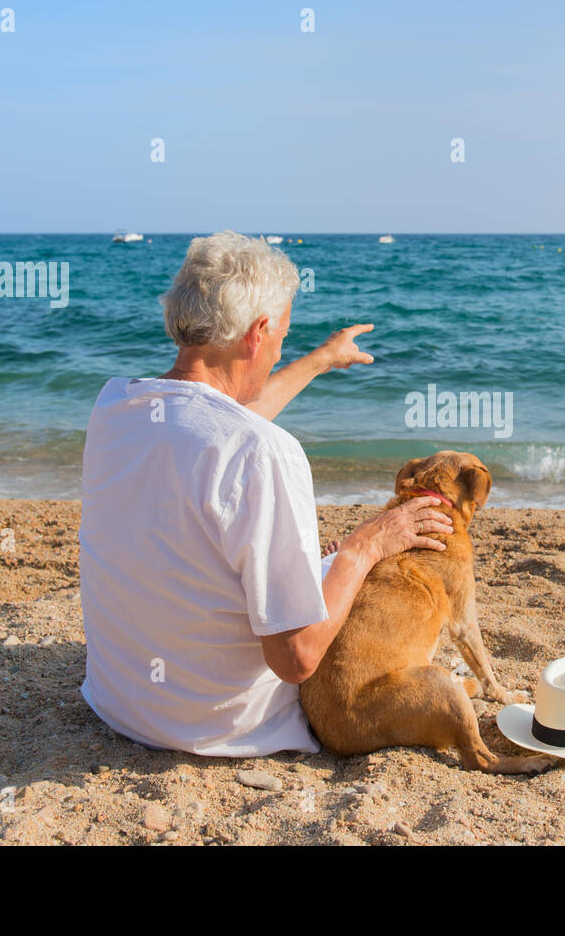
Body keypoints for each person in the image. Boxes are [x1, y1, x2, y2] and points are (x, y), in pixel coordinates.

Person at [77, 231, 454, 755]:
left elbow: (217, 424)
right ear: (257, 333)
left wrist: (322, 358)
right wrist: (365, 546)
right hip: (217, 726)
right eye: (282, 335)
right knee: (354, 574)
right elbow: (296, 658)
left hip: (122, 702)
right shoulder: (264, 453)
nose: (280, 350)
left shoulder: (116, 406)